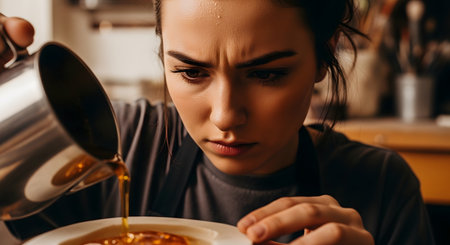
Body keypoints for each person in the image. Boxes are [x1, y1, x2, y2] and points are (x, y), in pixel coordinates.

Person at [0, 0, 435, 244]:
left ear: (325, 56)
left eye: (267, 74)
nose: (225, 115)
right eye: (191, 72)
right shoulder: (103, 142)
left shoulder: (382, 186)